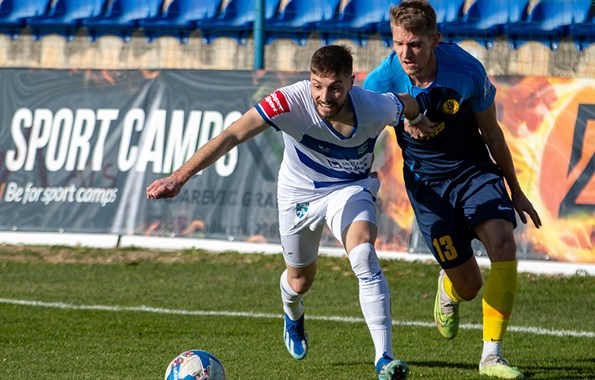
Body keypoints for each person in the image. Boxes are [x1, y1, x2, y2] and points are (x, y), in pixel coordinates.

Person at [146, 44, 431, 380]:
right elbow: (232, 135)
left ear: (351, 82)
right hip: (300, 194)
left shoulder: (374, 106)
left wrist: (418, 119)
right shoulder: (288, 102)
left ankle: (384, 359)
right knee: (299, 280)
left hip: (350, 189)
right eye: (317, 85)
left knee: (364, 255)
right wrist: (179, 177)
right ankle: (292, 311)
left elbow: (407, 103)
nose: (325, 96)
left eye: (336, 87)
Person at [363, 1, 542, 379]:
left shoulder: (466, 69)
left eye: (415, 44)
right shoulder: (381, 82)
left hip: (474, 171)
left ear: (435, 39)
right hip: (429, 189)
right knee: (469, 284)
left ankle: (491, 356)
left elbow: (492, 132)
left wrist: (516, 190)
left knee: (503, 244)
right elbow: (362, 136)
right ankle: (449, 289)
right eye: (398, 44)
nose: (405, 53)